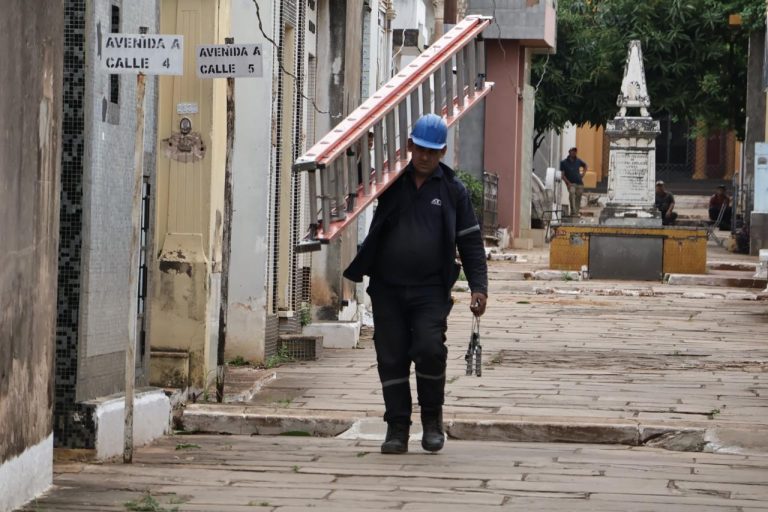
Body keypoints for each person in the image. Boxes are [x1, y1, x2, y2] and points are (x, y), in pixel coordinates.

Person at [343, 114, 488, 455]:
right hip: (387, 287)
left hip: (430, 291)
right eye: (420, 149)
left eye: (432, 152)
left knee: (429, 349)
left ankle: (433, 421)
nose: (425, 156)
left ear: (442, 153)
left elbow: (469, 240)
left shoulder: (453, 191)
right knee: (390, 355)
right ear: (410, 147)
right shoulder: (392, 181)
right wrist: (363, 151)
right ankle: (396, 427)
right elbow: (357, 185)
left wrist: (478, 286)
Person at [559, 147, 588, 217]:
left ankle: (576, 213)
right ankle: (573, 211)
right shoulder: (564, 162)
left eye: (575, 151)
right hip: (571, 183)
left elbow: (585, 165)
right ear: (569, 152)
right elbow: (562, 175)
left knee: (578, 197)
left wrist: (583, 173)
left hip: (579, 183)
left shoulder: (578, 161)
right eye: (572, 151)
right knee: (572, 194)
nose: (574, 152)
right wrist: (568, 183)